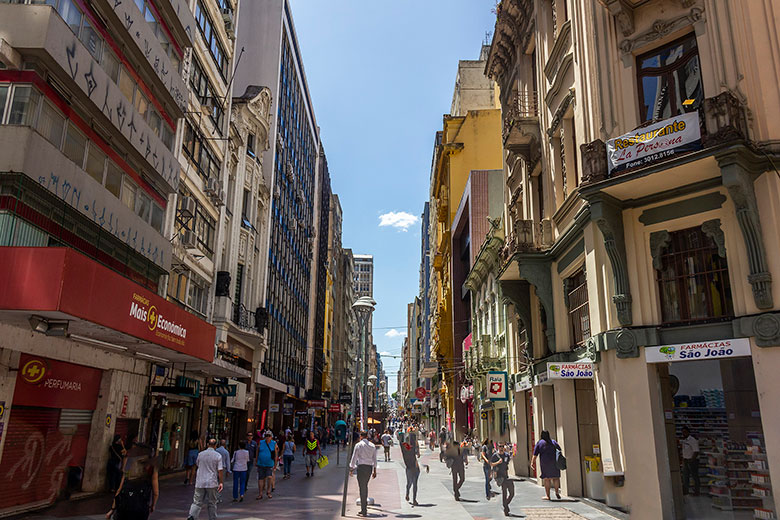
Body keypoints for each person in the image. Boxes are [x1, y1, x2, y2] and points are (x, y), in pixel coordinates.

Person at [105, 435, 158, 520]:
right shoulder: (151, 470)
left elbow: (119, 491)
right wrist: (153, 505)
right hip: (141, 509)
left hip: (124, 508)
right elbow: (156, 493)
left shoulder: (129, 467)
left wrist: (112, 510)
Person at [186, 438, 223, 520]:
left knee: (197, 502)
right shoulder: (218, 456)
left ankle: (192, 516)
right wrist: (221, 482)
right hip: (212, 482)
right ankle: (212, 518)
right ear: (216, 445)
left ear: (207, 444)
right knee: (212, 503)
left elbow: (197, 464)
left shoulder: (201, 454)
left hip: (200, 481)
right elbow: (220, 470)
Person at [350, 431, 377, 517]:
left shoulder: (358, 445)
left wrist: (351, 468)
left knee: (362, 488)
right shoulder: (372, 446)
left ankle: (364, 510)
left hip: (361, 467)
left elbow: (354, 457)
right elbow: (375, 459)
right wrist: (374, 470)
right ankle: (363, 508)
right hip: (369, 468)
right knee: (365, 486)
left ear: (361, 436)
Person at [532, 430, 562, 500]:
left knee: (547, 479)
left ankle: (548, 496)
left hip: (545, 463)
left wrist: (532, 462)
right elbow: (559, 449)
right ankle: (557, 492)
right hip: (554, 462)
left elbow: (535, 454)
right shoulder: (553, 442)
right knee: (556, 477)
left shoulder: (540, 443)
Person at [491, 444, 516, 516]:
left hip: (506, 476)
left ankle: (505, 504)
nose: (501, 448)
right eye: (500, 446)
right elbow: (491, 464)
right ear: (497, 447)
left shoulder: (506, 455)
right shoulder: (495, 456)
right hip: (500, 477)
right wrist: (498, 463)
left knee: (512, 493)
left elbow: (507, 463)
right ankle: (506, 509)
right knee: (504, 492)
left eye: (502, 446)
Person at [400, 428, 420, 505]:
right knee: (411, 483)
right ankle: (410, 495)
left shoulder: (406, 448)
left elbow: (417, 454)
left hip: (413, 467)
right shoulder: (407, 448)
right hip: (412, 467)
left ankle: (413, 498)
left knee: (413, 483)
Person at [255, 431, 277, 499]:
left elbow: (276, 454)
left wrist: (275, 464)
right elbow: (257, 452)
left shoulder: (274, 443)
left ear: (271, 437)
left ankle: (268, 491)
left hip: (269, 463)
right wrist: (256, 460)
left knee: (269, 477)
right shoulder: (261, 442)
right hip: (261, 463)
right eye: (266, 436)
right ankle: (260, 493)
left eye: (269, 436)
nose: (267, 437)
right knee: (260, 478)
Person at [681, 426, 700, 496]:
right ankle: (686, 491)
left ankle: (697, 491)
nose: (683, 434)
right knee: (685, 476)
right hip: (686, 460)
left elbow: (696, 451)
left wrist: (692, 460)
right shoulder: (684, 441)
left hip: (692, 460)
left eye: (685, 432)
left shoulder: (692, 440)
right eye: (682, 432)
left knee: (695, 476)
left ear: (688, 432)